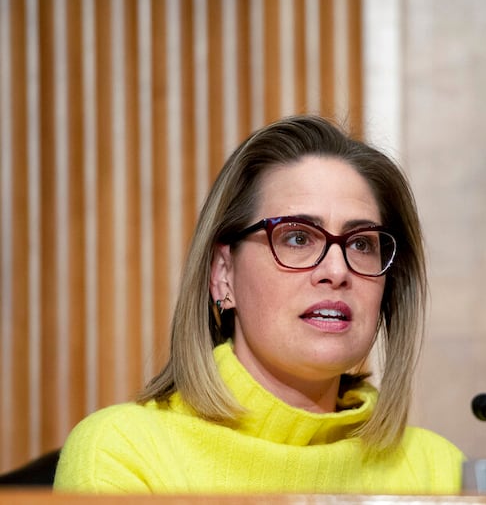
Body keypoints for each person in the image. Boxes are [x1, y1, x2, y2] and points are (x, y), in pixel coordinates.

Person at [54, 115, 464, 494]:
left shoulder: (441, 472)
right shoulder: (124, 454)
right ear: (223, 274)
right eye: (298, 237)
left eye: (361, 244)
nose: (337, 270)